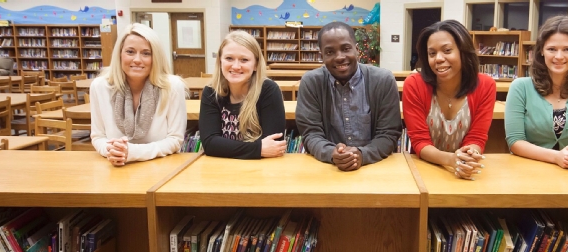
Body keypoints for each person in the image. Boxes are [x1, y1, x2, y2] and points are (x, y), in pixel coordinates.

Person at [296, 22, 401, 171]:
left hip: (375, 166)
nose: (339, 57)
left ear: (356, 49)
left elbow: (389, 133)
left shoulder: (383, 80)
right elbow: (311, 133)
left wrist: (362, 154)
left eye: (346, 49)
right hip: (328, 168)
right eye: (330, 52)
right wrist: (332, 153)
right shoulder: (311, 82)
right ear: (322, 55)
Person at [504, 16, 568, 169]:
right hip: (528, 170)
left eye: (567, 49)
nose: (559, 56)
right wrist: (557, 157)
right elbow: (515, 141)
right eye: (551, 49)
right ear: (541, 51)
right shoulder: (520, 87)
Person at [402, 20, 496, 180]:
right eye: (432, 53)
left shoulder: (486, 86)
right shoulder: (414, 85)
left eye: (447, 50)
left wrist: (468, 157)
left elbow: (477, 138)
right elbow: (419, 141)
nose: (438, 59)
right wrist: (452, 160)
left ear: (463, 51)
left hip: (465, 171)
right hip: (424, 170)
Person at [90, 23, 187, 166]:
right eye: (130, 51)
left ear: (156, 57)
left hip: (160, 168)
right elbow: (98, 137)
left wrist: (133, 153)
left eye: (146, 53)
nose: (137, 59)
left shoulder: (172, 87)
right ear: (120, 54)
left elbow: (175, 140)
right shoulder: (99, 87)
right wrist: (112, 151)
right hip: (115, 169)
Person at [198, 31, 286, 159]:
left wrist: (225, 147)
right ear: (220, 61)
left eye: (244, 60)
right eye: (229, 58)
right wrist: (258, 149)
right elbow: (210, 144)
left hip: (261, 169)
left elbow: (274, 145)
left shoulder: (268, 90)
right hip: (222, 168)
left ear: (255, 65)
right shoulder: (211, 92)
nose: (236, 66)